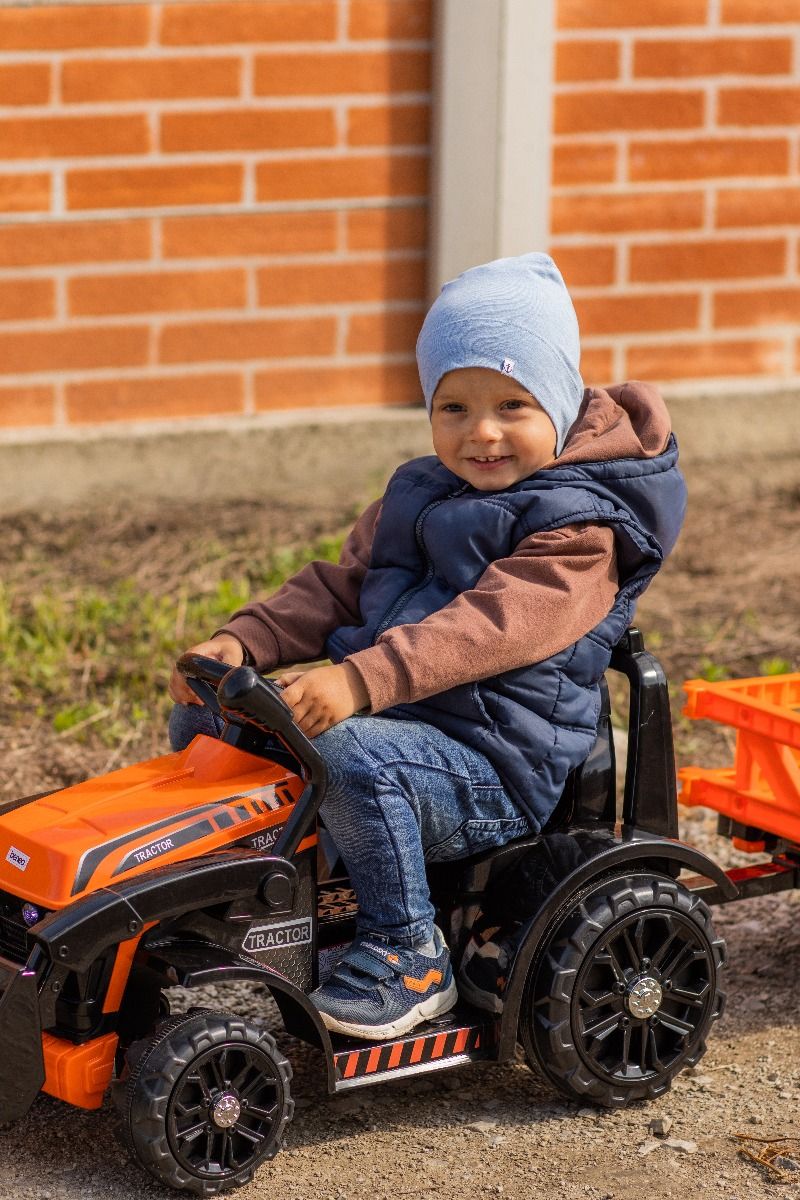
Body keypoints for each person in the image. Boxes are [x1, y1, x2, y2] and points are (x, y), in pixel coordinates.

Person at [168, 253, 687, 1041]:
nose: (482, 431)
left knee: (352, 754)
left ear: (557, 400)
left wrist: (361, 680)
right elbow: (340, 585)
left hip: (492, 765)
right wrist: (245, 640)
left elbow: (494, 625)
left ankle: (409, 955)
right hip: (405, 727)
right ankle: (233, 900)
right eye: (454, 407)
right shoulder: (418, 492)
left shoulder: (579, 529)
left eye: (512, 404)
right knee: (210, 720)